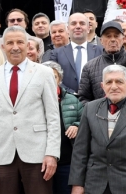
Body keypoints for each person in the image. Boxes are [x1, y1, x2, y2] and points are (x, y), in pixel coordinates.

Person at [0, 26, 61, 193]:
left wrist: (52, 153)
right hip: (3, 154)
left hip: (38, 153)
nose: (15, 47)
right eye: (10, 43)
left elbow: (53, 117)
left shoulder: (44, 73)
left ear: (27, 45)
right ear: (3, 47)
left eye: (20, 42)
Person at [69, 65, 126, 194]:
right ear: (102, 86)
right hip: (95, 184)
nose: (114, 86)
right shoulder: (90, 108)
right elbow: (80, 151)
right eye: (109, 82)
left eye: (119, 82)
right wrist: (77, 184)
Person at [77, 21, 126, 102]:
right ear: (101, 41)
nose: (113, 39)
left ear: (122, 39)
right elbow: (83, 98)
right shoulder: (90, 67)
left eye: (116, 36)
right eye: (108, 36)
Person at [41, 61, 82, 194]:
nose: (50, 80)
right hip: (41, 161)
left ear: (59, 79)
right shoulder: (33, 100)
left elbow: (85, 121)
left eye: (54, 76)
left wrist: (77, 126)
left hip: (67, 161)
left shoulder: (72, 99)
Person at [43, 13, 103, 93]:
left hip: (94, 98)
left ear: (88, 28)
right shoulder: (56, 53)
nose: (78, 26)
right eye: (73, 23)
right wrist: (70, 93)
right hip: (66, 98)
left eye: (82, 23)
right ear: (68, 29)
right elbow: (53, 77)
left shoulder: (101, 51)